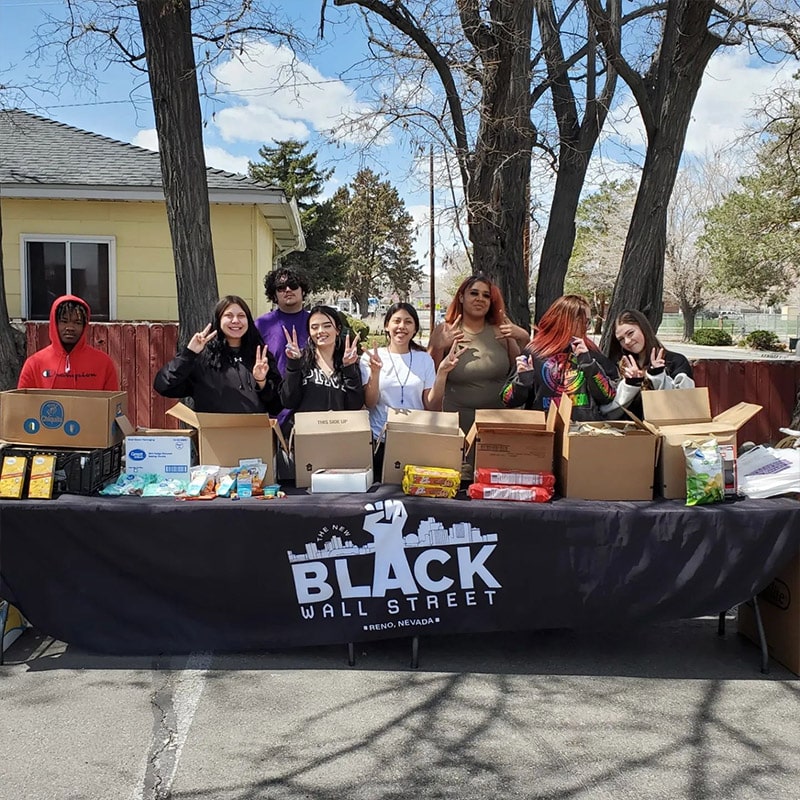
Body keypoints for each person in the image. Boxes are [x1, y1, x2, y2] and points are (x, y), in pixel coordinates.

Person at [360, 302, 460, 470]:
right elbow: (370, 402)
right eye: (396, 321)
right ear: (386, 326)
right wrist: (375, 373)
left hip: (415, 439)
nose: (402, 326)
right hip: (379, 441)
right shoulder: (371, 358)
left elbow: (432, 406)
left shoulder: (424, 359)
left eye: (408, 322)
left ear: (415, 329)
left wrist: (442, 373)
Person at [428, 273, 528, 435]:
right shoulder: (445, 330)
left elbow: (519, 370)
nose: (480, 299)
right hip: (456, 423)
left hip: (497, 423)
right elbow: (429, 375)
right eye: (474, 293)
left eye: (486, 295)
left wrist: (524, 338)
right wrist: (439, 346)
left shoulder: (501, 329)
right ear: (461, 297)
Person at [154, 295, 281, 414]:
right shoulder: (202, 358)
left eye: (241, 316)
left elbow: (276, 406)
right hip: (211, 429)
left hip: (253, 429)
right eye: (229, 316)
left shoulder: (260, 357)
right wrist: (188, 354)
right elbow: (164, 386)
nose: (235, 321)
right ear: (218, 320)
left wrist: (261, 381)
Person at [502, 294, 617, 420]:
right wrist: (523, 382)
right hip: (544, 428)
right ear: (566, 321)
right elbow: (508, 399)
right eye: (584, 321)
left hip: (584, 429)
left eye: (588, 322)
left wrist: (588, 364)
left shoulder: (590, 353)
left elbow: (608, 396)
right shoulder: (535, 353)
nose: (587, 327)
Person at [279, 305, 365, 428]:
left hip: (338, 433)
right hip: (306, 433)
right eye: (314, 327)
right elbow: (288, 401)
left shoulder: (348, 362)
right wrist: (293, 364)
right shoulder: (301, 360)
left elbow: (354, 406)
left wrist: (349, 368)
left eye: (327, 326)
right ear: (309, 333)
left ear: (338, 330)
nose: (320, 331)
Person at [603, 309, 695, 419]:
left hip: (667, 427)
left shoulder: (675, 361)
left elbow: (685, 403)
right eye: (621, 339)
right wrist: (631, 384)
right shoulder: (618, 366)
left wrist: (657, 375)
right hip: (628, 429)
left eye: (630, 333)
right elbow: (608, 411)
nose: (627, 341)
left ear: (644, 328)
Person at [18, 294, 119, 390]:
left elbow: (113, 401)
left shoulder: (103, 364)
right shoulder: (35, 364)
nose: (70, 327)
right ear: (54, 323)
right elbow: (22, 401)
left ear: (84, 326)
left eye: (77, 322)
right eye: (64, 321)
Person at [255, 266, 311, 379]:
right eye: (281, 287)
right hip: (273, 386)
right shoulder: (261, 324)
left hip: (309, 386)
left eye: (293, 285)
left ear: (303, 291)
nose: (288, 290)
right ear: (274, 295)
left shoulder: (316, 323)